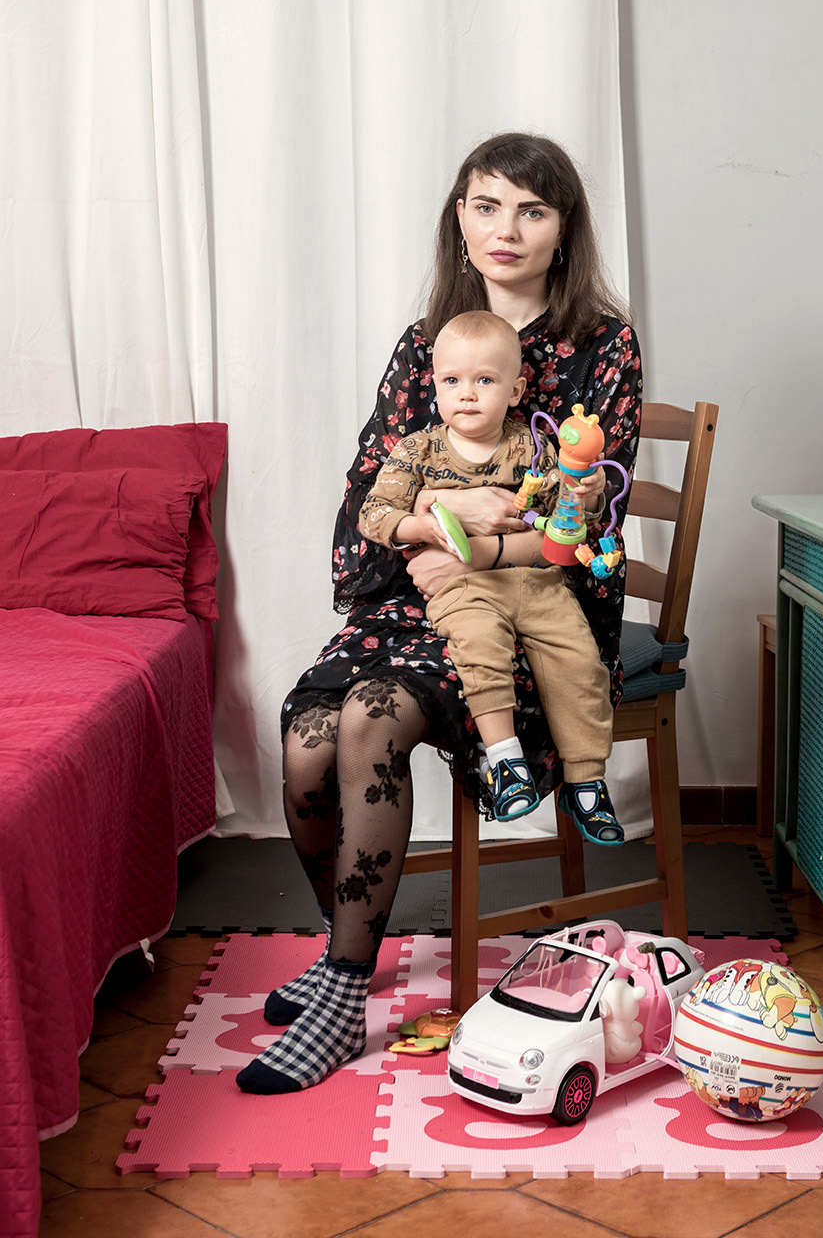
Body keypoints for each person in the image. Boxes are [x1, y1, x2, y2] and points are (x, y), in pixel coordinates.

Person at [236, 132, 641, 1095]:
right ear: (459, 218)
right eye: (486, 205)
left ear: (563, 229)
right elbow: (367, 497)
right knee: (304, 737)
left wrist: (471, 531)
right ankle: (342, 947)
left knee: (371, 719)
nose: (507, 229)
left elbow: (585, 520)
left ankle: (342, 990)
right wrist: (441, 515)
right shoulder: (425, 344)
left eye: (532, 210)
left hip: (536, 609)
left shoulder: (604, 345)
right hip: (418, 590)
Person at [358, 308, 623, 837]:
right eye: (452, 381)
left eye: (484, 381)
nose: (467, 395)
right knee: (479, 645)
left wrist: (587, 494)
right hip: (463, 586)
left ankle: (586, 782)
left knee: (579, 658)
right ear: (435, 385)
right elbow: (373, 514)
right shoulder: (417, 450)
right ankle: (504, 761)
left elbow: (571, 524)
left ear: (516, 389)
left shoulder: (534, 447)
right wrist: (424, 526)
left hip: (538, 582)